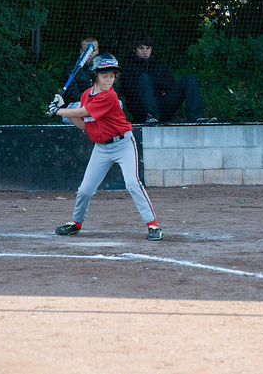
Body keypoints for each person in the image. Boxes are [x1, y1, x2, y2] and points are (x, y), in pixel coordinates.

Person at [46, 53, 163, 241]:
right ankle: (76, 223)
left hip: (123, 144)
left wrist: (58, 110)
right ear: (94, 76)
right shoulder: (86, 95)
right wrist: (64, 111)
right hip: (101, 148)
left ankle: (153, 225)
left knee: (132, 183)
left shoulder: (109, 96)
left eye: (112, 76)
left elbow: (84, 111)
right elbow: (84, 124)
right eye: (104, 75)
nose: (109, 80)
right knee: (85, 190)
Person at [119, 34, 216, 125]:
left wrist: (150, 85)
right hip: (141, 111)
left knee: (190, 79)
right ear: (134, 50)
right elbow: (130, 90)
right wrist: (158, 88)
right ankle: (151, 116)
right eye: (141, 48)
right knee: (144, 78)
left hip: (164, 107)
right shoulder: (127, 68)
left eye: (148, 48)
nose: (145, 52)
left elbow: (171, 85)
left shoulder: (159, 65)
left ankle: (197, 117)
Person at [60, 37, 100, 125]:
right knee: (81, 106)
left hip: (98, 104)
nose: (90, 54)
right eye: (87, 51)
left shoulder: (103, 68)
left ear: (97, 51)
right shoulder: (72, 68)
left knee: (117, 103)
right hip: (77, 106)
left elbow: (112, 90)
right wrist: (91, 99)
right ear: (81, 51)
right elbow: (72, 93)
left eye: (93, 51)